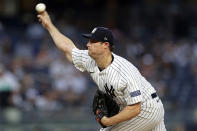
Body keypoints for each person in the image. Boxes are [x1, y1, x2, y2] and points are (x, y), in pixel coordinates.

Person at [37, 11, 166, 131]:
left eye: (93, 41)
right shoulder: (89, 59)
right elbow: (67, 48)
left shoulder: (124, 71)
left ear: (106, 45)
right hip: (141, 107)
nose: (88, 44)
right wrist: (49, 26)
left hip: (145, 108)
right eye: (89, 40)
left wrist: (109, 121)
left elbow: (135, 109)